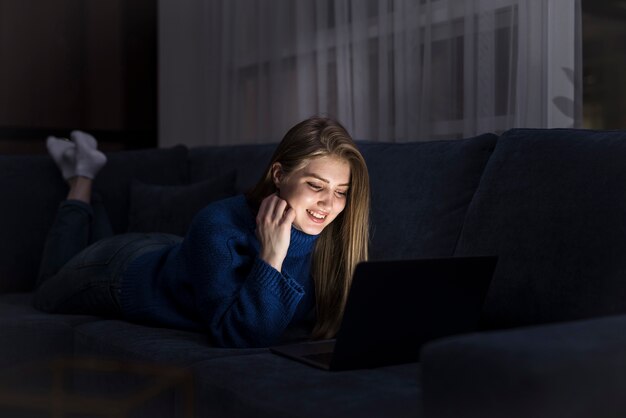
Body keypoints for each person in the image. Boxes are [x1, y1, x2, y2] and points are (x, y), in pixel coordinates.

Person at [34, 116, 370, 348]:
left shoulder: (332, 233)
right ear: (279, 175)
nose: (328, 204)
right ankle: (82, 179)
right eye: (315, 185)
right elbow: (239, 336)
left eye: (341, 191)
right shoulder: (218, 225)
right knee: (47, 289)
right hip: (122, 272)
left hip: (179, 254)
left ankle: (87, 180)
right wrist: (272, 256)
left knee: (90, 249)